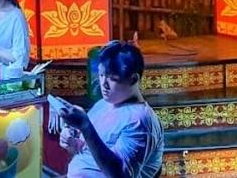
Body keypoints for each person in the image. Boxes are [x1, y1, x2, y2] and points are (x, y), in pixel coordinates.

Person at [53, 41, 164, 178]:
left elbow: (121, 175)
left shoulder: (140, 120)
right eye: (101, 75)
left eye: (112, 78)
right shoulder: (103, 104)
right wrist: (72, 142)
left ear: (133, 79)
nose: (103, 84)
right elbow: (87, 152)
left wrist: (86, 126)